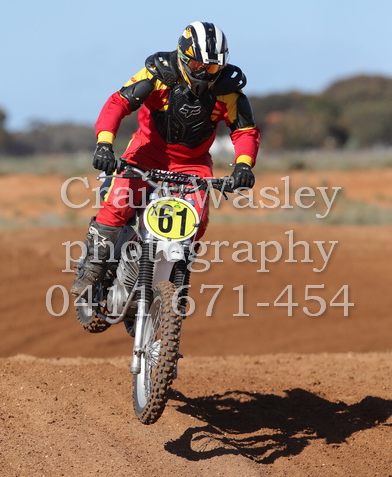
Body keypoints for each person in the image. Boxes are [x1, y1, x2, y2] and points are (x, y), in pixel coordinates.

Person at [71, 21, 260, 297]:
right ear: (182, 56)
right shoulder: (158, 74)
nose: (204, 73)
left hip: (193, 163)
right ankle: (92, 269)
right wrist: (104, 145)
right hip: (146, 153)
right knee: (119, 203)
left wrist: (244, 165)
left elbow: (244, 131)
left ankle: (176, 282)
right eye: (197, 65)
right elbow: (118, 103)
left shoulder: (228, 90)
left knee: (196, 222)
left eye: (212, 68)